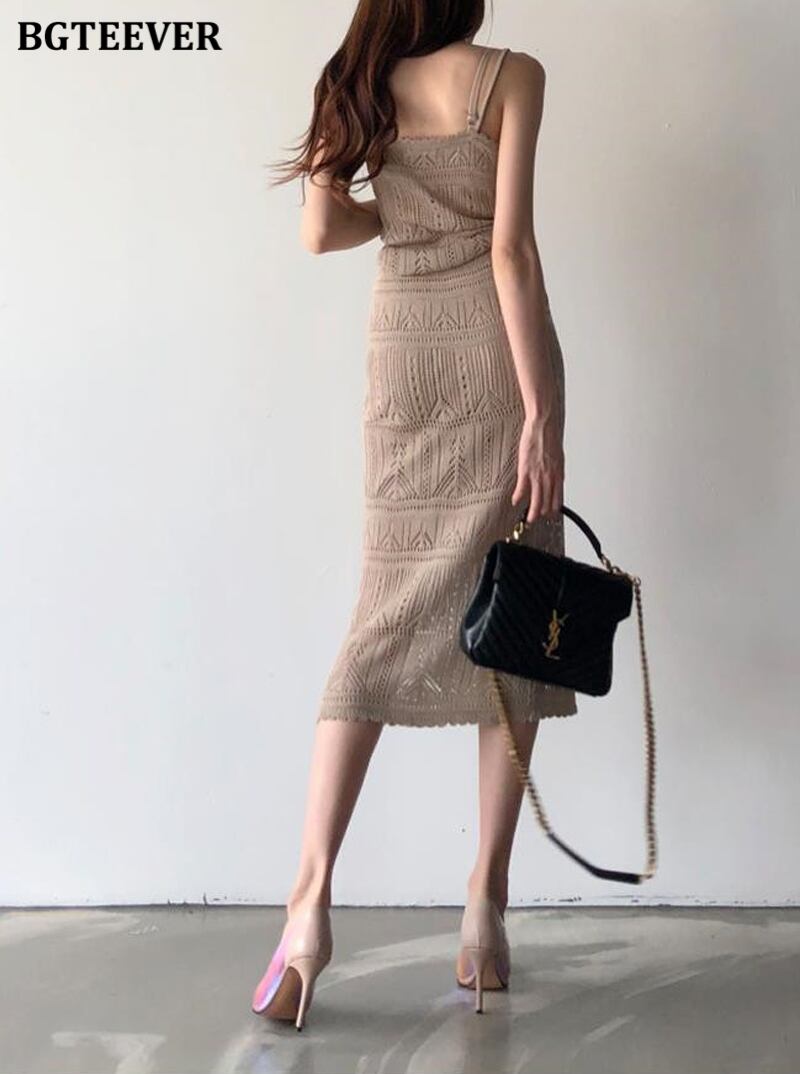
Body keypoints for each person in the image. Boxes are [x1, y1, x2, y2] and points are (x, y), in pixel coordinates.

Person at [251, 0, 579, 1030]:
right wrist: (539, 413)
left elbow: (321, 231)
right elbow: (510, 252)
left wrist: (398, 208)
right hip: (494, 360)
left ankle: (306, 913)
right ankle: (483, 908)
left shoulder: (353, 80)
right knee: (515, 614)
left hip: (405, 359)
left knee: (380, 616)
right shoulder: (511, 75)